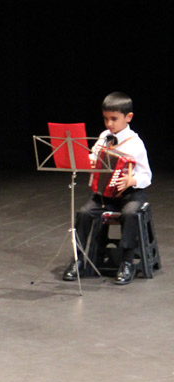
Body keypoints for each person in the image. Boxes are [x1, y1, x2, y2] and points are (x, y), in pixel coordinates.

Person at [63, 92, 151, 285]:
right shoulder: (104, 137)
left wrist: (131, 181)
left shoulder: (136, 144)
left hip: (130, 195)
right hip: (105, 195)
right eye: (105, 119)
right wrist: (90, 161)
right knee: (84, 212)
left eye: (114, 119)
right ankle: (77, 260)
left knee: (129, 214)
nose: (109, 124)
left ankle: (127, 261)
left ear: (128, 117)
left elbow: (147, 176)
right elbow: (94, 156)